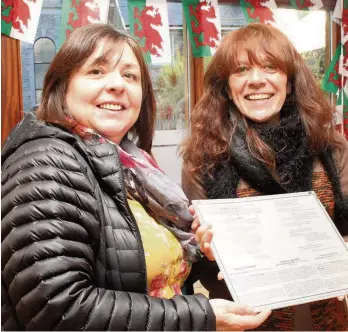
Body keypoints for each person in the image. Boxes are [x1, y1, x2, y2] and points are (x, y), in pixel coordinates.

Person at [1, 24, 271, 331]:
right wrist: (200, 315)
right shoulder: (47, 162)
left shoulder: (134, 168)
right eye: (96, 71)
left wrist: (203, 251)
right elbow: (57, 309)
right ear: (62, 87)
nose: (117, 85)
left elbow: (144, 270)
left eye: (130, 75)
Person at [181, 23, 348, 331]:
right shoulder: (204, 159)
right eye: (241, 69)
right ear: (228, 87)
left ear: (289, 82)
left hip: (327, 318)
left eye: (270, 67)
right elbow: (193, 259)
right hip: (246, 321)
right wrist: (206, 251)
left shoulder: (331, 149)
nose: (256, 80)